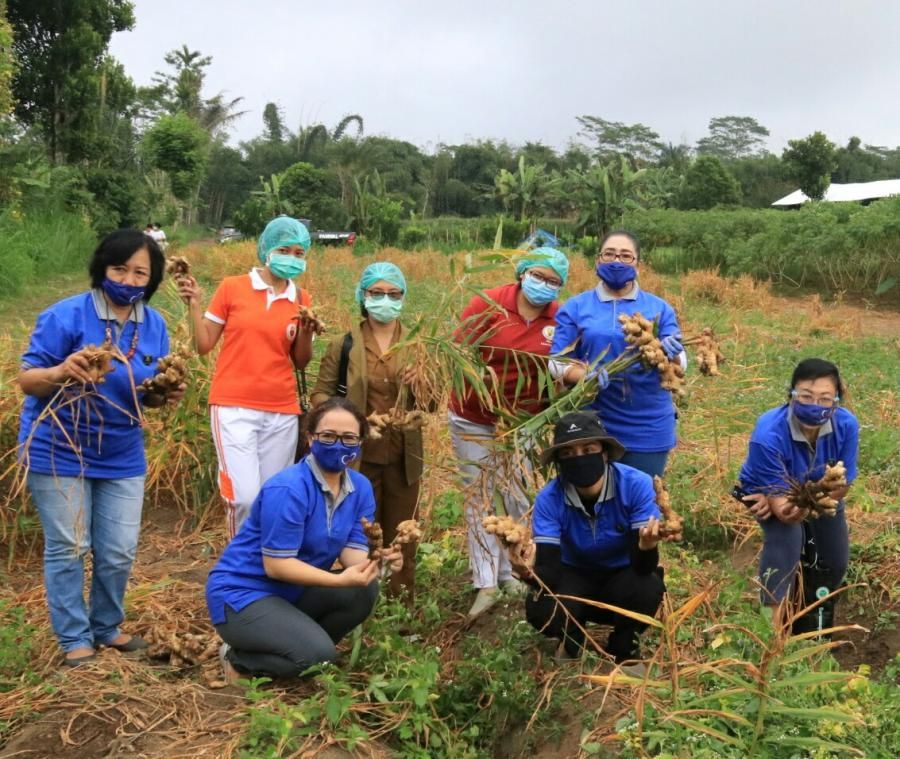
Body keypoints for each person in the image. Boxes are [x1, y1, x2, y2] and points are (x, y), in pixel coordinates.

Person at [17, 229, 183, 666]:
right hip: (59, 447)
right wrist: (62, 371)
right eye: (119, 269)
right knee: (70, 545)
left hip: (121, 450)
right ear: (101, 269)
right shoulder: (66, 316)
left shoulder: (155, 324)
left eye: (140, 273)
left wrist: (162, 393)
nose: (129, 280)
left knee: (118, 549)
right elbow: (27, 381)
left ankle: (106, 627)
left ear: (152, 279)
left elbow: (144, 391)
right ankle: (75, 638)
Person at [205, 398, 401, 681]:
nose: (338, 445)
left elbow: (352, 554)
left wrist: (381, 562)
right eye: (328, 436)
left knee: (363, 591)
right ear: (310, 439)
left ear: (360, 442)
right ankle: (240, 659)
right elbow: (276, 566)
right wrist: (337, 580)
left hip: (292, 592)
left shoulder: (360, 488)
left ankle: (293, 648)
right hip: (243, 596)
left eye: (348, 438)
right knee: (318, 657)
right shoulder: (289, 488)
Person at [448, 247, 570, 618]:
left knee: (517, 498)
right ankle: (484, 581)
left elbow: (564, 368)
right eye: (537, 276)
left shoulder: (560, 317)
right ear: (522, 273)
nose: (543, 285)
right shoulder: (488, 305)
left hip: (525, 422)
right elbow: (455, 353)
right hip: (475, 418)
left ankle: (510, 570)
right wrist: (478, 378)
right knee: (481, 497)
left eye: (553, 281)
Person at [177, 216, 316, 537]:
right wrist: (195, 305)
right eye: (285, 249)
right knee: (244, 498)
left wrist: (307, 334)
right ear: (267, 249)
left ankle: (267, 567)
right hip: (233, 407)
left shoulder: (300, 298)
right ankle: (238, 569)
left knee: (273, 498)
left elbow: (301, 361)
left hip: (282, 411)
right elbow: (204, 344)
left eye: (299, 253)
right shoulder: (232, 288)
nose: (292, 258)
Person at [311, 262, 423, 596]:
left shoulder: (418, 344)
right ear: (364, 296)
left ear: (403, 297)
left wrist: (422, 384)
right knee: (360, 528)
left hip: (405, 455)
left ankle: (400, 598)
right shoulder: (344, 345)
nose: (385, 300)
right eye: (377, 293)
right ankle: (360, 595)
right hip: (358, 454)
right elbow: (320, 392)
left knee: (403, 530)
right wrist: (343, 420)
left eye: (393, 294)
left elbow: (432, 404)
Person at [522, 412, 667, 669]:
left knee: (647, 588)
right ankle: (571, 641)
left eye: (588, 449)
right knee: (542, 607)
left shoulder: (636, 485)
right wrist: (525, 571)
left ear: (604, 452)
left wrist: (646, 547)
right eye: (568, 454)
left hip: (623, 573)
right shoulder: (549, 498)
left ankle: (625, 647)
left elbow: (643, 567)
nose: (579, 458)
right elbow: (551, 574)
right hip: (574, 576)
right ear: (559, 461)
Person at [736, 358, 858, 632]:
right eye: (806, 396)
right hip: (767, 491)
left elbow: (842, 485)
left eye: (824, 398)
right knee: (786, 543)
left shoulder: (846, 425)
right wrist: (776, 499)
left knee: (835, 560)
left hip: (822, 493)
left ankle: (807, 618)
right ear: (791, 394)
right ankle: (771, 634)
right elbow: (786, 512)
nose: (815, 404)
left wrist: (815, 497)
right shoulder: (768, 434)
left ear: (836, 399)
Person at [551, 231, 683, 478]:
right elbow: (556, 362)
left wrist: (673, 353)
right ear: (598, 261)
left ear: (638, 264)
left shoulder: (658, 307)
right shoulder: (577, 307)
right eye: (609, 254)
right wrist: (585, 374)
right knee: (593, 498)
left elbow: (680, 364)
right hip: (592, 421)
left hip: (648, 422)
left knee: (642, 498)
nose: (617, 261)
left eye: (626, 256)